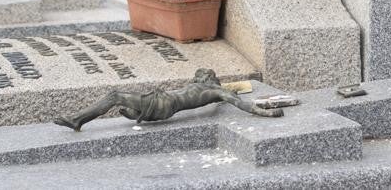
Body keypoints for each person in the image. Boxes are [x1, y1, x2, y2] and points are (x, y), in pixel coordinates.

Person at [53, 68, 280, 131]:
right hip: (162, 102)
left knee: (115, 96)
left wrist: (266, 111)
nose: (198, 76)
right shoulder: (205, 90)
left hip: (164, 103)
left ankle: (77, 120)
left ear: (209, 78)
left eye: (202, 75)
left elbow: (240, 104)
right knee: (121, 101)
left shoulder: (214, 92)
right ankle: (136, 114)